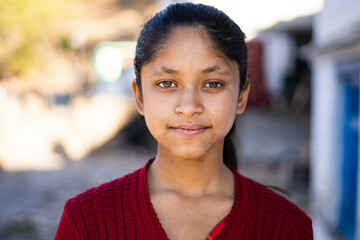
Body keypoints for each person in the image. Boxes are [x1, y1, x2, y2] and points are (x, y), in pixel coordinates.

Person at [55, 2, 313, 239]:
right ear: (140, 96)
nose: (189, 107)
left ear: (242, 96)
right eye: (167, 84)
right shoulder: (85, 222)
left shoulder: (287, 226)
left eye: (213, 84)